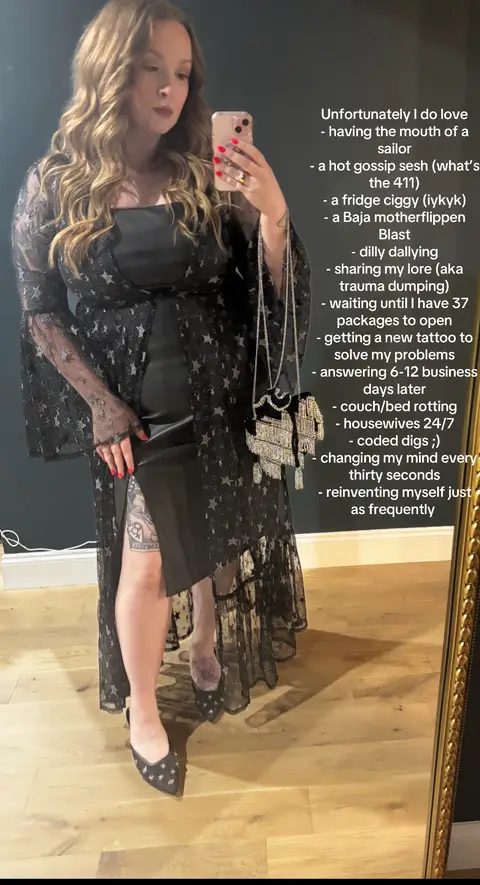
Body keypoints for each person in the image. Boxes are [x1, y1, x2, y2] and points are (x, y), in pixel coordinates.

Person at [11, 0, 311, 796]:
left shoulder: (206, 172)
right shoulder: (56, 185)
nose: (171, 89)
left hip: (221, 394)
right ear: (112, 71)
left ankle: (205, 648)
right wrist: (100, 406)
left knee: (217, 542)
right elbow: (40, 311)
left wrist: (274, 212)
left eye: (182, 73)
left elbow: (267, 288)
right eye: (153, 69)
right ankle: (145, 711)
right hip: (137, 411)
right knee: (145, 566)